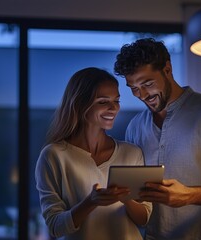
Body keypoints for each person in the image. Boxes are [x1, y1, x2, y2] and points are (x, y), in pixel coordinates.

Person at [114, 38, 201, 239]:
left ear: (167, 69)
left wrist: (188, 195)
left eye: (147, 83)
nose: (141, 95)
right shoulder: (135, 127)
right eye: (133, 88)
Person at [35, 67, 152, 240]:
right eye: (103, 101)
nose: (114, 108)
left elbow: (144, 219)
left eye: (117, 101)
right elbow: (55, 227)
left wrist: (125, 198)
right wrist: (91, 201)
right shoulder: (53, 156)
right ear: (80, 104)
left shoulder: (131, 153)